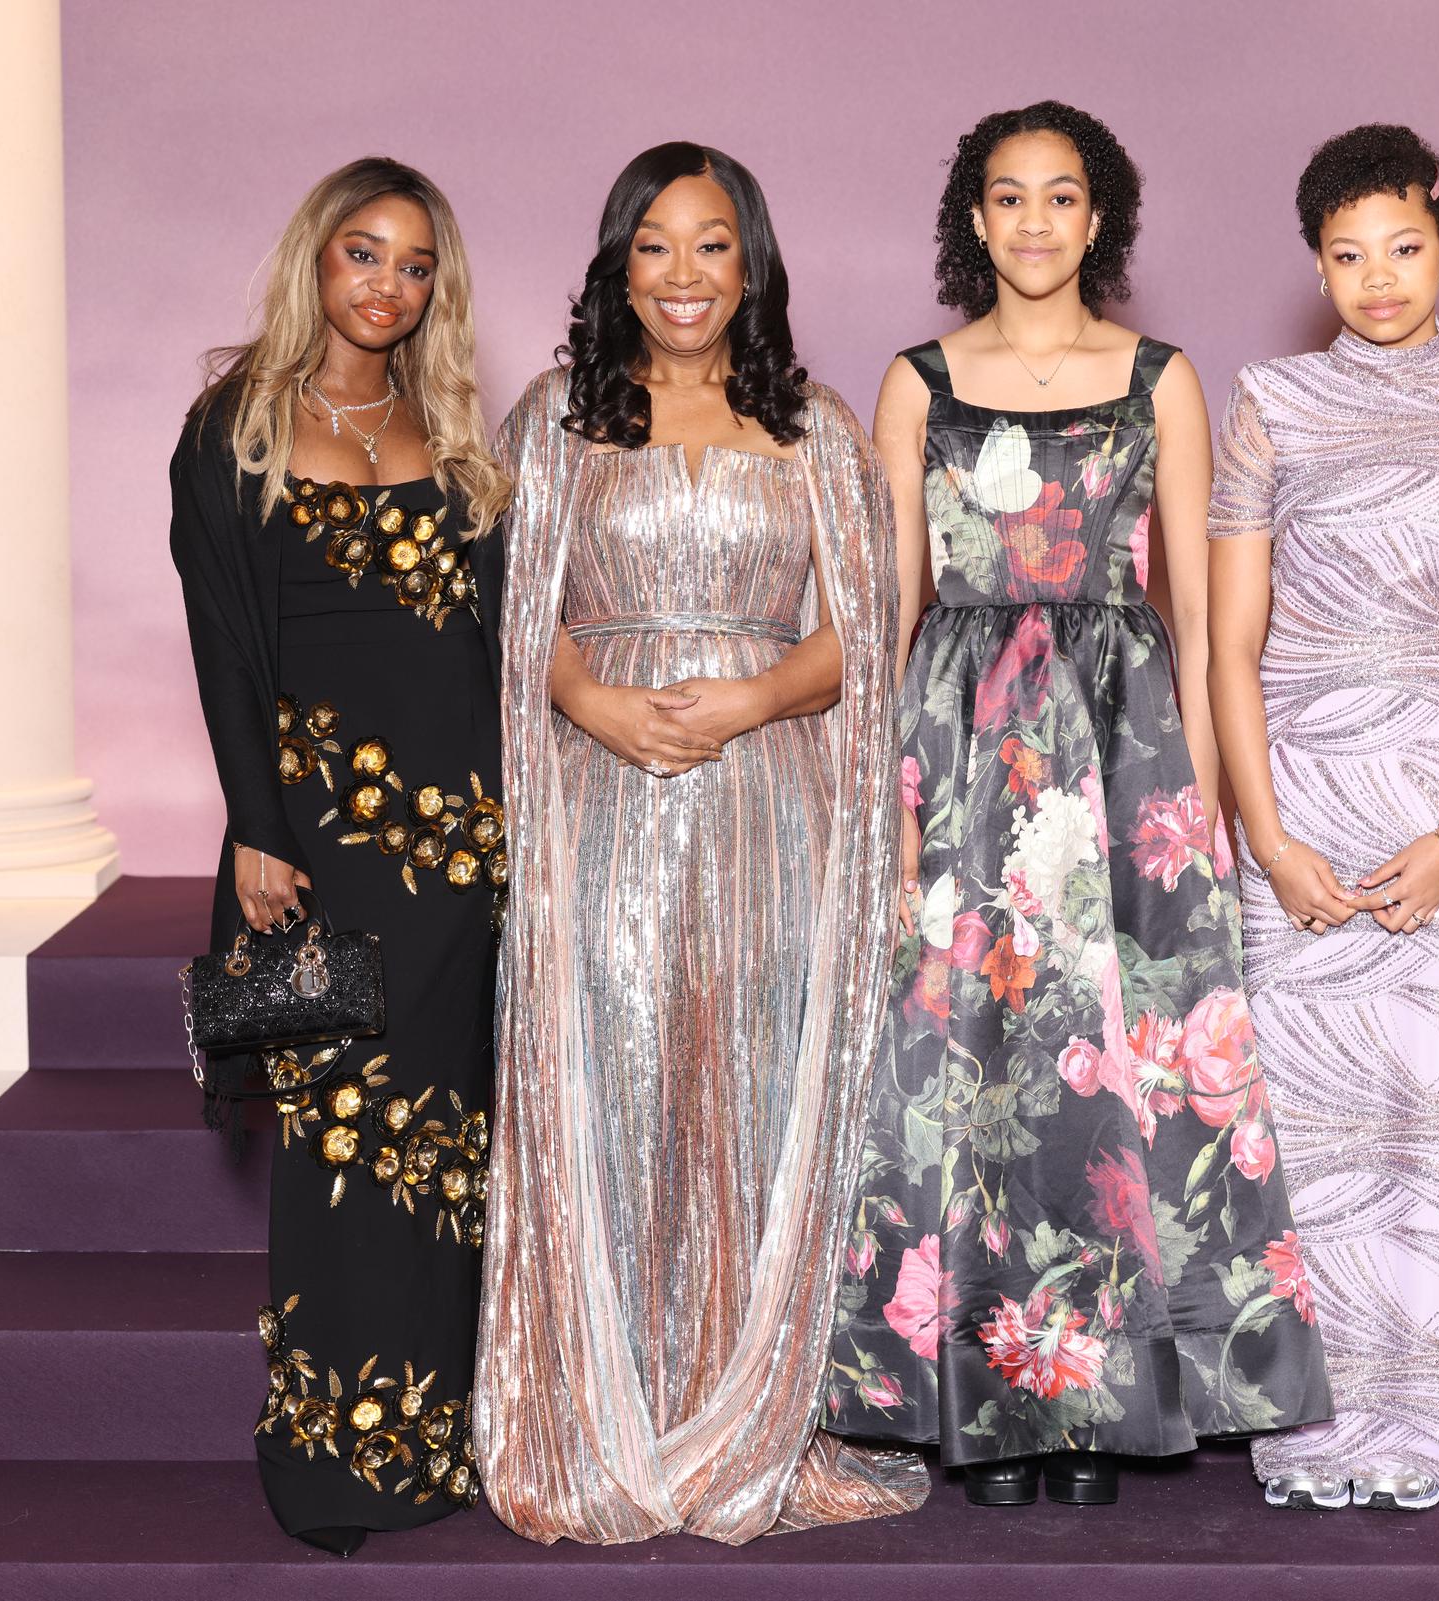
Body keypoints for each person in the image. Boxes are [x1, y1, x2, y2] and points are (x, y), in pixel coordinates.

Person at [826, 102, 1331, 1511]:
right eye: (1010, 196)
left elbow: (1197, 614)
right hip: (962, 747)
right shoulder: (917, 384)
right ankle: (989, 1400)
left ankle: (1099, 1403)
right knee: (973, 1067)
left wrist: (1202, 803)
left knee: (1116, 1070)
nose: (1035, 221)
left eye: (1062, 195)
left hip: (1121, 748)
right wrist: (888, 799)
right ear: (974, 218)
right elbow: (889, 611)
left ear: (1097, 216)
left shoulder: (1162, 378)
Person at [473, 141, 928, 1545]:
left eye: (712, 244)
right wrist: (590, 699)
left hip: (766, 806)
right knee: (607, 1074)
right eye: (655, 245)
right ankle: (602, 1413)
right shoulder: (555, 420)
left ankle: (746, 1412)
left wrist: (760, 693)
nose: (684, 274)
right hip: (598, 804)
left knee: (753, 1080)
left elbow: (864, 629)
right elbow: (509, 609)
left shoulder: (815, 427)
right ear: (619, 264)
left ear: (753, 264)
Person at [1206, 124, 1439, 1513]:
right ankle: (1308, 1427)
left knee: (1422, 1113)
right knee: (1305, 1120)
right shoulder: (1269, 401)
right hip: (1295, 791)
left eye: (1404, 247)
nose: (1379, 277)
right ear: (1317, 266)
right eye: (1348, 255)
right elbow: (1232, 643)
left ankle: (1418, 1427)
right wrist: (1267, 837)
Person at [169, 156, 512, 1557]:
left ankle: (434, 1445)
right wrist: (256, 824)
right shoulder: (236, 426)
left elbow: (487, 642)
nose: (388, 285)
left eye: (415, 265)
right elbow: (224, 645)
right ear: (316, 257)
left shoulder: (452, 426)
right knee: (338, 1144)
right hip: (319, 842)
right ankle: (325, 1464)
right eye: (364, 253)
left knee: (448, 1153)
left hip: (463, 846)